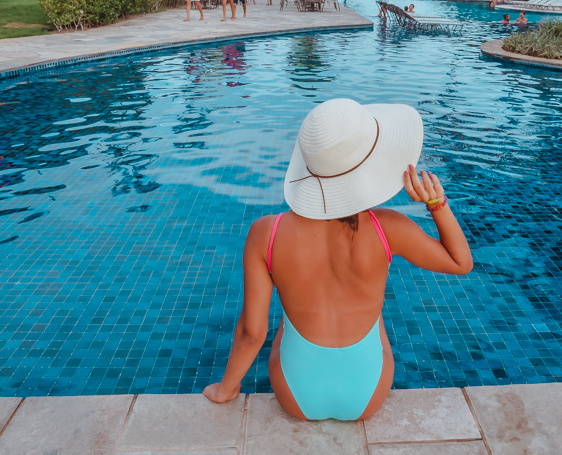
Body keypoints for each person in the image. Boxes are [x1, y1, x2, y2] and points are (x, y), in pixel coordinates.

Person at [203, 98, 473, 420]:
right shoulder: (388, 228)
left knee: (284, 323)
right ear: (372, 166)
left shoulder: (266, 233)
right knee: (376, 318)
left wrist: (226, 389)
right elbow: (461, 263)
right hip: (367, 394)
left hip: (295, 394)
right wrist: (436, 202)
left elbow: (251, 332)